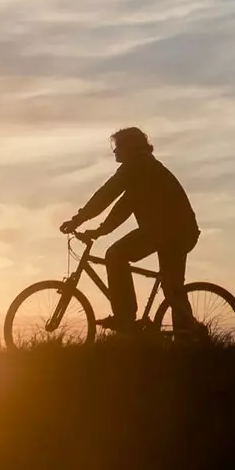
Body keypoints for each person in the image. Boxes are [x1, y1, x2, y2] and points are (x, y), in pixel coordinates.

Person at [60, 127, 200, 332]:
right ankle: (189, 338)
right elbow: (123, 206)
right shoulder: (145, 166)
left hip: (166, 231)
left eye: (118, 147)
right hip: (180, 230)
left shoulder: (136, 165)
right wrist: (99, 229)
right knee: (173, 288)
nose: (115, 152)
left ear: (129, 147)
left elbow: (106, 194)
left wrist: (78, 220)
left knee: (115, 255)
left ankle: (125, 317)